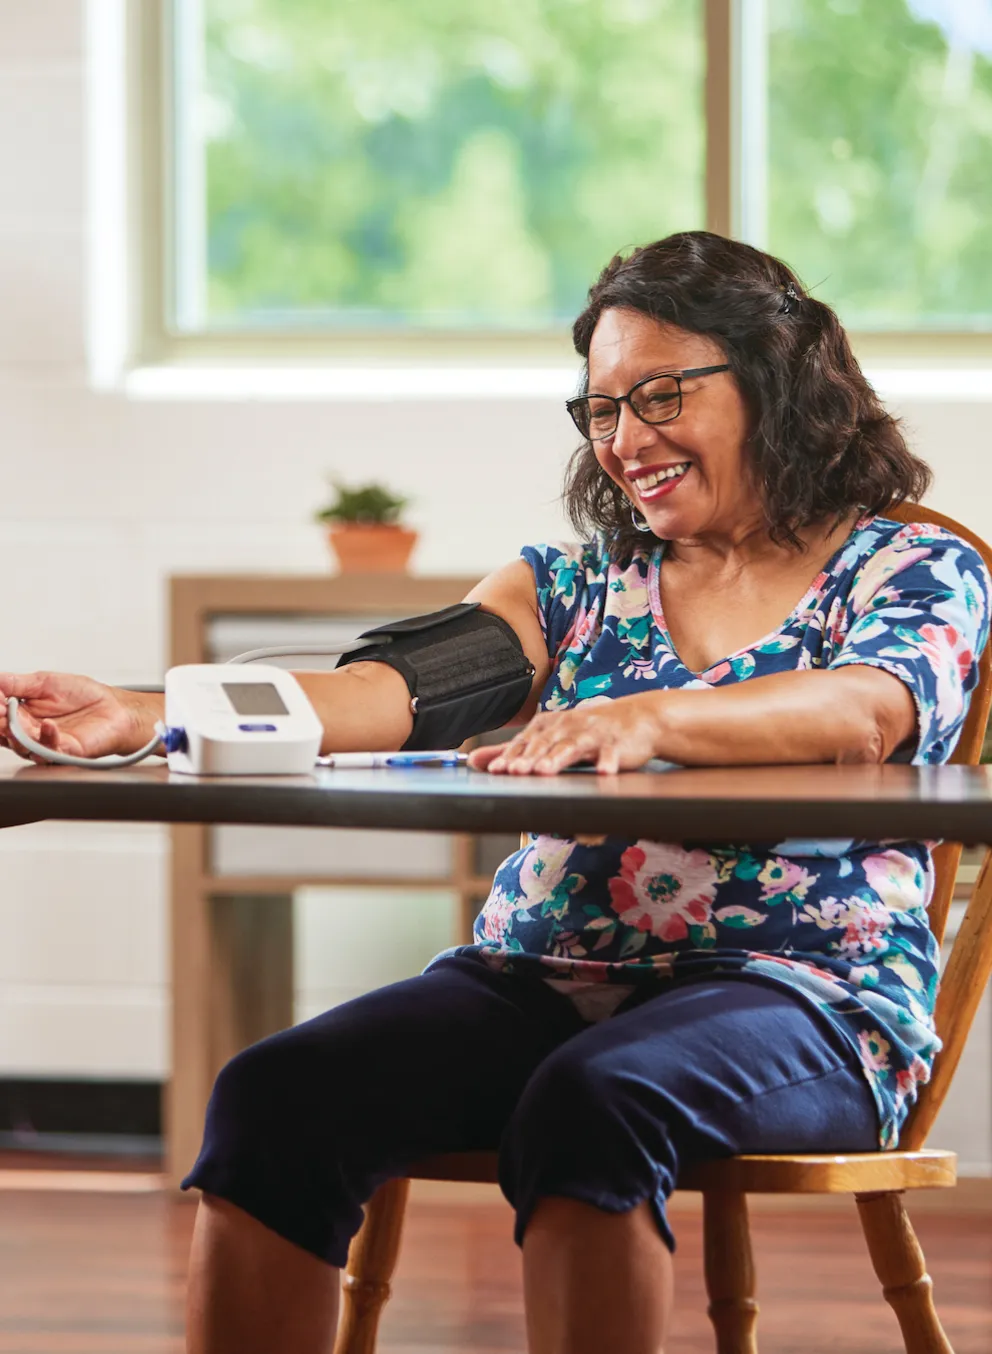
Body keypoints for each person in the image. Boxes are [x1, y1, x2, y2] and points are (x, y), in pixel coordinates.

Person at [1, 230, 989, 1354]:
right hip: (536, 978)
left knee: (596, 1100)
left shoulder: (905, 567)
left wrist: (643, 716)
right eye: (601, 409)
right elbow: (390, 691)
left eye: (658, 395)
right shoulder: (567, 582)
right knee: (275, 1095)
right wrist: (146, 713)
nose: (625, 439)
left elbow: (862, 709)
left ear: (775, 374)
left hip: (804, 997)